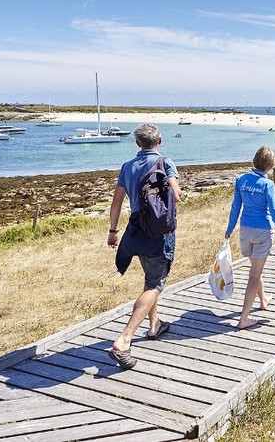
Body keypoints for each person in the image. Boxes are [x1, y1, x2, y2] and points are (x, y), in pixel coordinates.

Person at [106, 123, 182, 369]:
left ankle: (154, 326)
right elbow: (176, 194)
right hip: (159, 233)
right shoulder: (165, 162)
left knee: (150, 279)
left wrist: (112, 231)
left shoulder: (127, 167)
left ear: (138, 143)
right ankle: (124, 340)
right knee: (155, 284)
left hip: (137, 230)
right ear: (159, 141)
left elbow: (117, 202)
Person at [226, 146, 275, 329]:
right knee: (255, 274)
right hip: (263, 231)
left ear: (255, 160)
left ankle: (263, 300)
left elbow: (235, 208)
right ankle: (244, 319)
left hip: (245, 231)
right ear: (271, 166)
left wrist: (229, 229)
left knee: (255, 267)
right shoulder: (267, 184)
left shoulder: (241, 180)